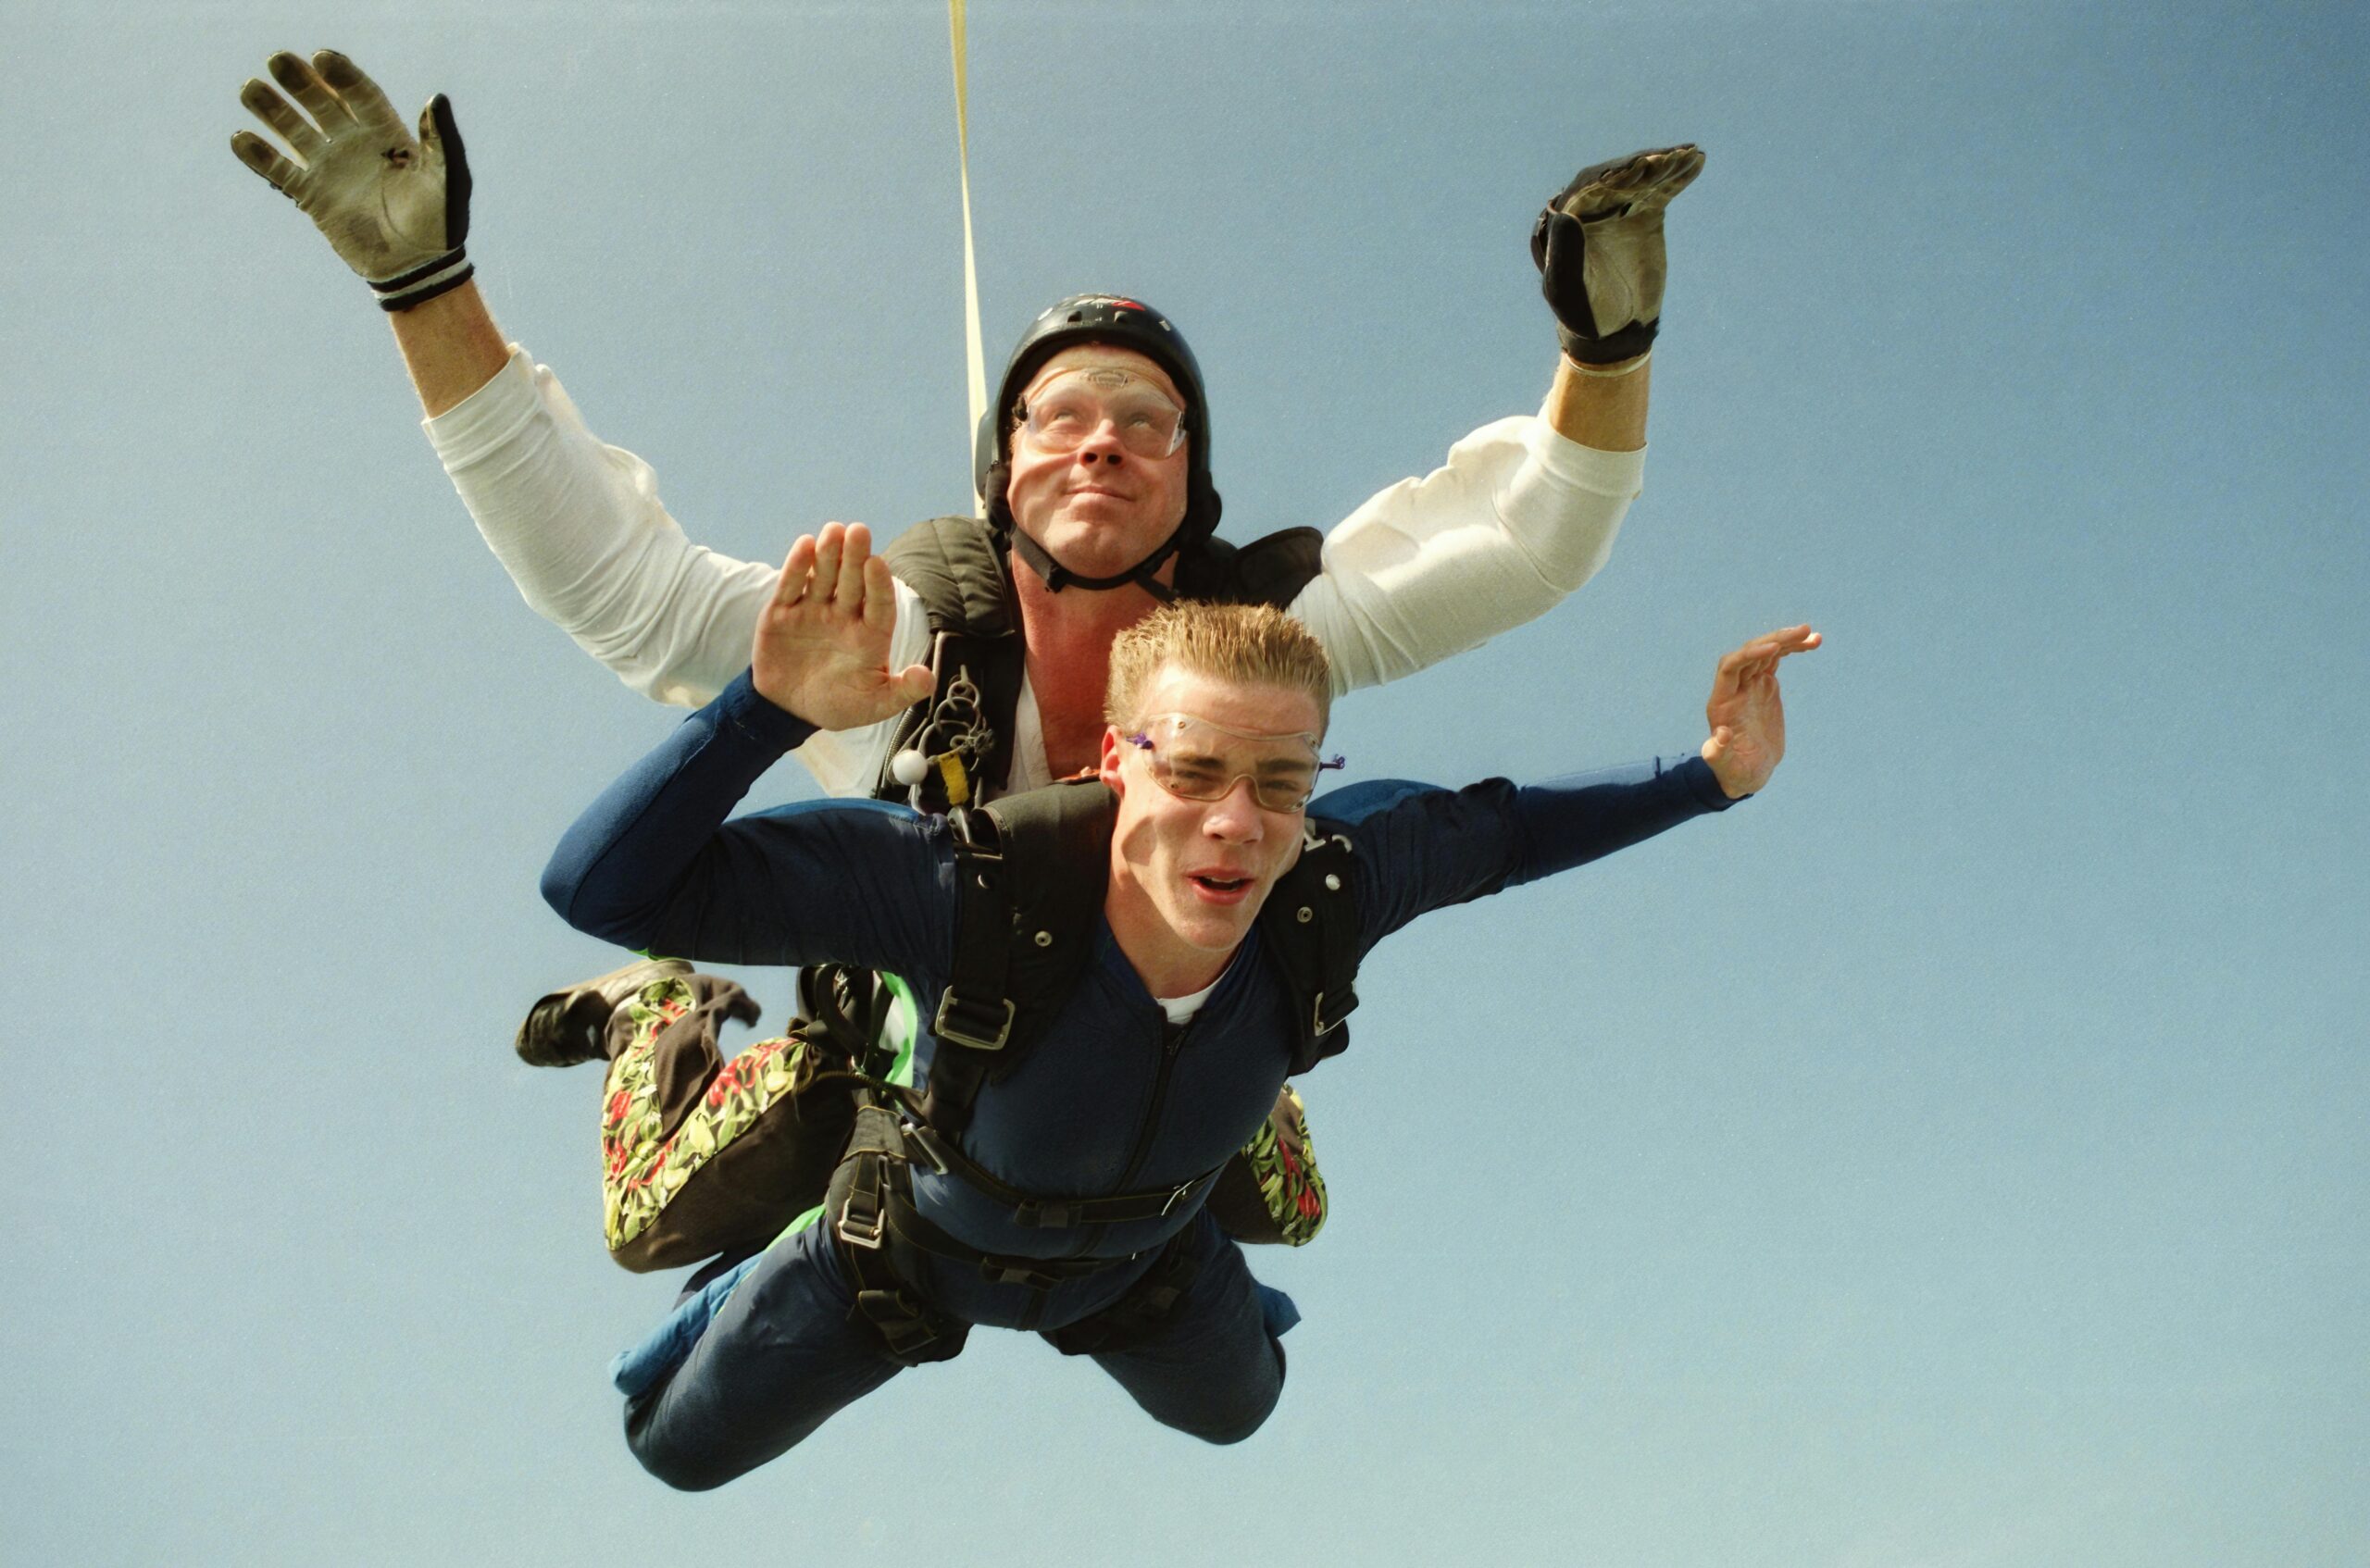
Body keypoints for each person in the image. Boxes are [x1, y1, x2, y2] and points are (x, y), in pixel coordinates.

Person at [228, 49, 1707, 1262]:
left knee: (1290, 1211)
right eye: (1060, 416)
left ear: (1197, 479)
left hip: (1154, 1035)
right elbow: (612, 579)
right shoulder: (896, 632)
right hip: (905, 1046)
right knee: (650, 1220)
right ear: (1002, 473)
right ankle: (662, 1017)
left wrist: (1609, 348)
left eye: (1147, 417)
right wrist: (428, 293)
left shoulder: (1266, 633)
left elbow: (1532, 546)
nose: (1104, 440)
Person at [539, 541, 1817, 1487]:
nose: (1239, 824)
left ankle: (1239, 1114)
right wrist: (757, 713)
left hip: (1140, 1259)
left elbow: (1516, 827)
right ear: (1113, 762)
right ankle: (663, 1025)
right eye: (1194, 769)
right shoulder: (963, 885)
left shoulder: (1334, 877)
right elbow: (599, 886)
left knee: (1241, 1406)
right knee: (670, 1443)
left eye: (1282, 780)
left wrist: (1712, 777)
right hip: (911, 1249)